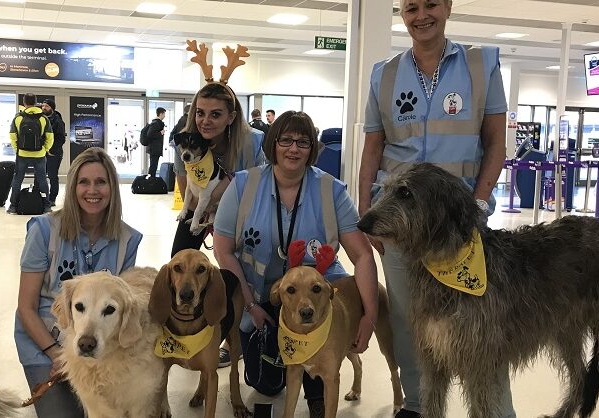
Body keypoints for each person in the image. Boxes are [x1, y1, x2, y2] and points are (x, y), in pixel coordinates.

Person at [358, 1, 508, 417]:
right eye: (410, 8)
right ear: (401, 14)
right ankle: (419, 404)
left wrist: (479, 202)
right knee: (409, 319)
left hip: (458, 225)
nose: (421, 15)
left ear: (447, 7)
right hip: (399, 225)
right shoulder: (384, 74)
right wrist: (367, 210)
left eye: (430, 5)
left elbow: (496, 142)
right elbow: (373, 146)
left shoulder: (481, 66)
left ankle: (496, 410)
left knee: (481, 324)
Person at [213, 111, 379, 417]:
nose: (293, 148)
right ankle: (280, 364)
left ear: (312, 149)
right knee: (265, 382)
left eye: (303, 142)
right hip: (262, 295)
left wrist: (369, 315)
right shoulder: (241, 187)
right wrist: (250, 306)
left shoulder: (332, 191)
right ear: (273, 144)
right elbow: (223, 252)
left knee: (320, 364)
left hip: (316, 297)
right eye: (286, 140)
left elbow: (363, 255)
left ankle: (317, 391)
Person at [14, 147, 142, 418]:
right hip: (45, 344)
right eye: (84, 182)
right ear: (72, 187)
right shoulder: (43, 230)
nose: (92, 190)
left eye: (101, 182)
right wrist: (56, 354)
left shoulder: (127, 239)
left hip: (102, 345)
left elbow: (123, 304)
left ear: (112, 188)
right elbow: (26, 307)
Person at [169, 83, 265, 258]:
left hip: (240, 211)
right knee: (179, 259)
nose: (205, 121)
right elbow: (189, 200)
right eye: (200, 113)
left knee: (246, 261)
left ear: (231, 117)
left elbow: (255, 192)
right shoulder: (183, 145)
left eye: (215, 114)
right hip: (199, 206)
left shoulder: (251, 143)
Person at [7, 93, 54, 214]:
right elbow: (50, 137)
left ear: (24, 103)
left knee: (18, 179)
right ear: (36, 102)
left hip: (22, 154)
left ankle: (13, 206)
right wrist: (45, 149)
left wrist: (17, 149)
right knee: (42, 180)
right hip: (39, 154)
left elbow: (12, 136)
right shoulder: (44, 118)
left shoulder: (18, 118)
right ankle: (46, 206)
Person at [40, 98, 67, 206]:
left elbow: (61, 139)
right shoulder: (41, 119)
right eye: (43, 106)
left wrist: (50, 150)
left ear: (52, 108)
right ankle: (40, 197)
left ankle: (52, 198)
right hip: (42, 153)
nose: (44, 108)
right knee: (40, 175)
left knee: (52, 176)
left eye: (46, 106)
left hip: (54, 153)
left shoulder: (58, 121)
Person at [170, 104, 190, 196]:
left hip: (180, 146)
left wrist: (173, 142)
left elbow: (173, 133)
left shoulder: (181, 119)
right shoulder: (185, 120)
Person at [146, 107, 166, 178]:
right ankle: (150, 181)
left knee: (153, 165)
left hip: (154, 149)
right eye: (164, 114)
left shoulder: (156, 123)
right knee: (153, 166)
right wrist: (160, 133)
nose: (164, 116)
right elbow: (150, 134)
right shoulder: (155, 123)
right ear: (160, 114)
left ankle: (151, 180)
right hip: (154, 149)